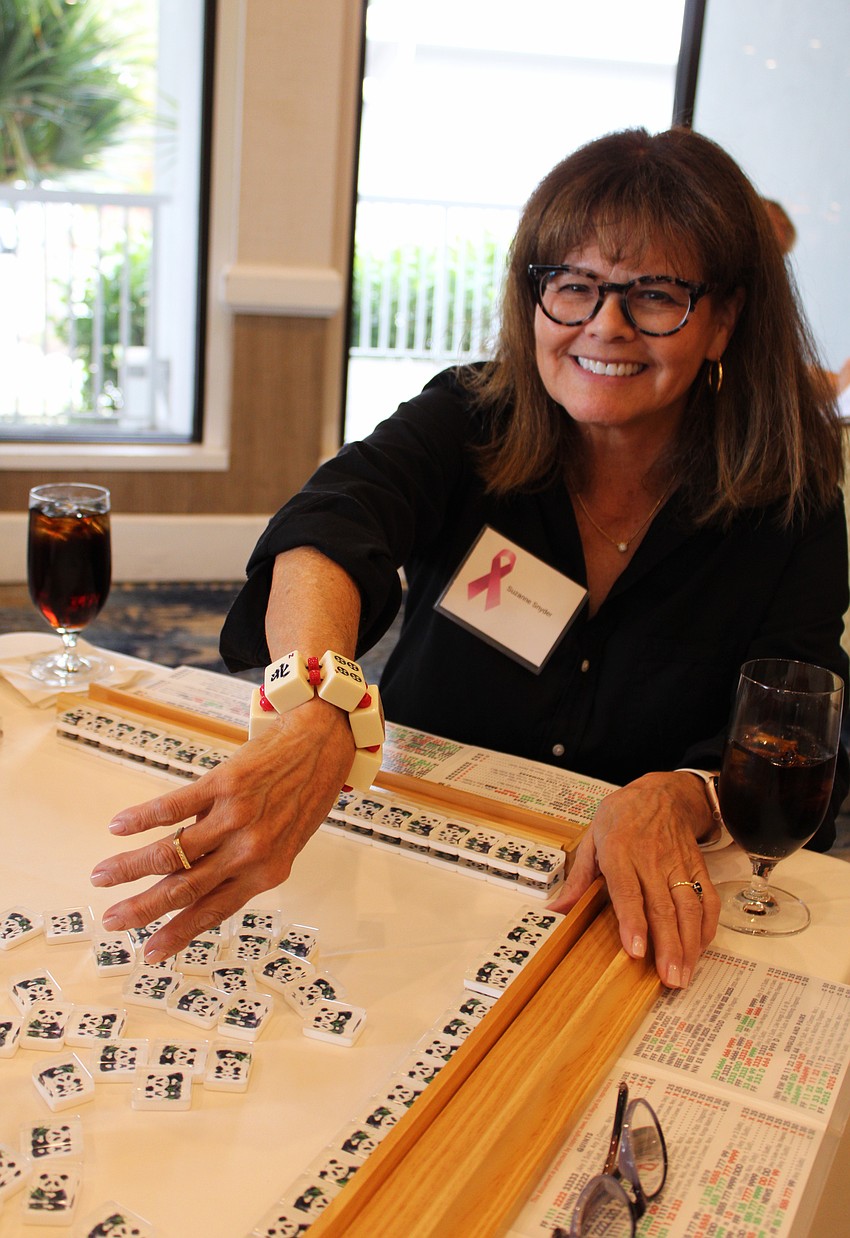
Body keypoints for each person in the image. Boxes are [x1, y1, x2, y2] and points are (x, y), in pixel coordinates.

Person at [90, 127, 849, 991]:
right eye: (574, 286)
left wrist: (683, 793)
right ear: (533, 296)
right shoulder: (467, 417)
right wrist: (314, 702)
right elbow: (331, 523)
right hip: (419, 860)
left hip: (632, 917)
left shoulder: (791, 499)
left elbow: (809, 727)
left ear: (723, 321)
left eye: (655, 295)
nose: (606, 325)